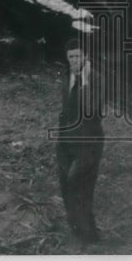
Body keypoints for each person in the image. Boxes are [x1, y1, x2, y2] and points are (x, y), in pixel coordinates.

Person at [56, 38, 104, 243]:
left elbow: (92, 112)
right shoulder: (66, 78)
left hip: (89, 142)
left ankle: (90, 235)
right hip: (66, 140)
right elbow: (66, 110)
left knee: (82, 186)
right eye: (71, 57)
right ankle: (76, 229)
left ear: (85, 56)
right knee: (66, 184)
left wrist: (84, 82)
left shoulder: (97, 79)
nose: (75, 60)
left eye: (78, 56)